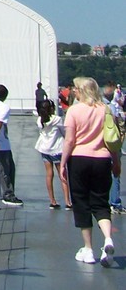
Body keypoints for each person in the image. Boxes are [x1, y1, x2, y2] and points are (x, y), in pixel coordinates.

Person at [59, 77, 120, 266]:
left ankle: (88, 248)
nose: (74, 91)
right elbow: (112, 137)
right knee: (100, 202)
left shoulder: (74, 111)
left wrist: (63, 163)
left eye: (76, 89)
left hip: (79, 159)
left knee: (81, 202)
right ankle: (108, 239)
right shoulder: (106, 109)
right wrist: (116, 161)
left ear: (83, 90)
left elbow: (70, 140)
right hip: (102, 159)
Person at [0, 84, 22, 206]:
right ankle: (8, 195)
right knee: (6, 169)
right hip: (1, 142)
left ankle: (7, 192)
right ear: (6, 95)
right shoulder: (5, 107)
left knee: (7, 168)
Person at [34, 98, 71, 208]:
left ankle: (52, 201)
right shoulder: (57, 119)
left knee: (49, 174)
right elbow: (64, 132)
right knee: (62, 174)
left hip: (44, 149)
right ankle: (67, 201)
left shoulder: (40, 120)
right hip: (56, 149)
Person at [102, 81, 125, 214]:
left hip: (98, 146)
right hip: (111, 143)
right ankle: (115, 202)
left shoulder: (97, 106)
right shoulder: (111, 107)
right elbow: (116, 125)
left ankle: (103, 201)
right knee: (115, 173)